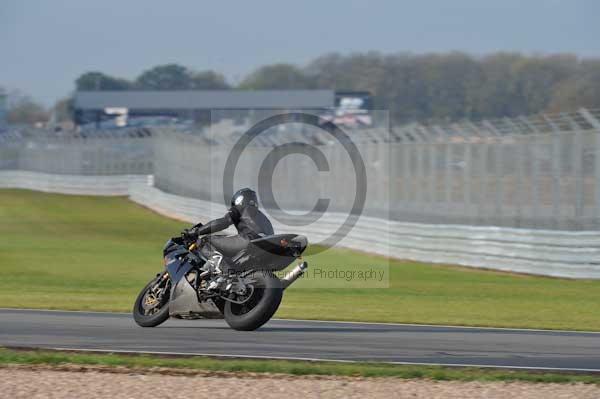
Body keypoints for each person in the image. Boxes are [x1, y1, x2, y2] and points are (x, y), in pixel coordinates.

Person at [184, 188, 274, 269]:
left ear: (239, 199)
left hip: (248, 241)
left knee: (205, 240)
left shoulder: (240, 208)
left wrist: (197, 231)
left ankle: (220, 265)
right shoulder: (265, 218)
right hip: (265, 249)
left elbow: (222, 223)